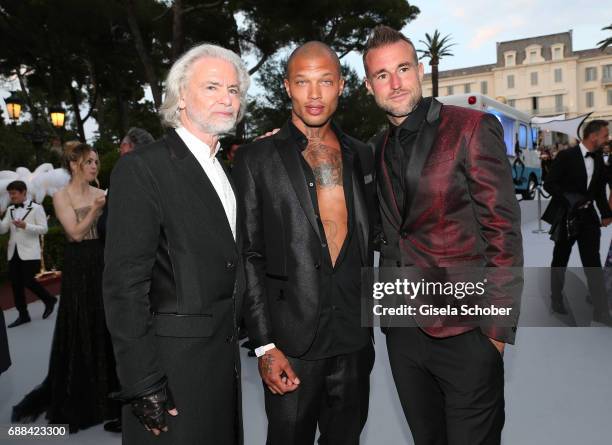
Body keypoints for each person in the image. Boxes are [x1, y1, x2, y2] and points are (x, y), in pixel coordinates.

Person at [362, 26, 523, 445]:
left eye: (402, 69)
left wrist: (495, 334)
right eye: (382, 75)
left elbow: (503, 234)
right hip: (402, 333)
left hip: (466, 332)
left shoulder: (470, 128)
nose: (394, 83)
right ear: (369, 85)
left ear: (418, 70)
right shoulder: (377, 147)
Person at [103, 43, 249, 445]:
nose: (227, 98)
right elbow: (125, 286)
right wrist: (142, 382)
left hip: (222, 366)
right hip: (170, 374)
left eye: (234, 91)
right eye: (213, 87)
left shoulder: (225, 170)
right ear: (181, 96)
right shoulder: (142, 168)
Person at [234, 41, 376, 445]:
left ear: (341, 85)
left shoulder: (362, 155)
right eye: (303, 82)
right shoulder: (256, 158)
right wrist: (264, 346)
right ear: (287, 87)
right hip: (291, 342)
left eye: (325, 81)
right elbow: (248, 255)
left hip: (353, 336)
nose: (314, 94)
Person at [12, 142, 120, 433]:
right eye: (89, 162)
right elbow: (73, 233)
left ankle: (112, 390)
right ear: (74, 165)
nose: (95, 166)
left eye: (96, 162)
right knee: (81, 322)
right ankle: (85, 395)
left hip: (102, 260)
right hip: (78, 264)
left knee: (106, 322)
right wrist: (95, 210)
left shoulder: (103, 193)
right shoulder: (62, 197)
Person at [543, 120, 612, 324]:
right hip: (567, 217)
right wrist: (569, 199)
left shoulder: (599, 158)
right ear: (593, 136)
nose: (607, 138)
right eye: (605, 135)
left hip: (589, 219)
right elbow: (549, 184)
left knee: (593, 263)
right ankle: (556, 299)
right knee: (560, 259)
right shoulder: (567, 155)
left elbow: (599, 191)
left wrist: (606, 213)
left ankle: (601, 311)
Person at [0, 180, 57, 327]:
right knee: (15, 284)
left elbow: (44, 229)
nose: (12, 196)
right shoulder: (10, 209)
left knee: (27, 281)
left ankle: (49, 299)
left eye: (14, 193)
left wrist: (26, 225)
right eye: (10, 193)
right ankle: (23, 315)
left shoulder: (37, 208)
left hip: (31, 253)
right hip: (13, 253)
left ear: (23, 192)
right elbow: (3, 229)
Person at [97, 127, 155, 243]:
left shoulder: (125, 177)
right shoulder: (157, 177)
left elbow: (109, 227)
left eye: (121, 147)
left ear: (126, 146)